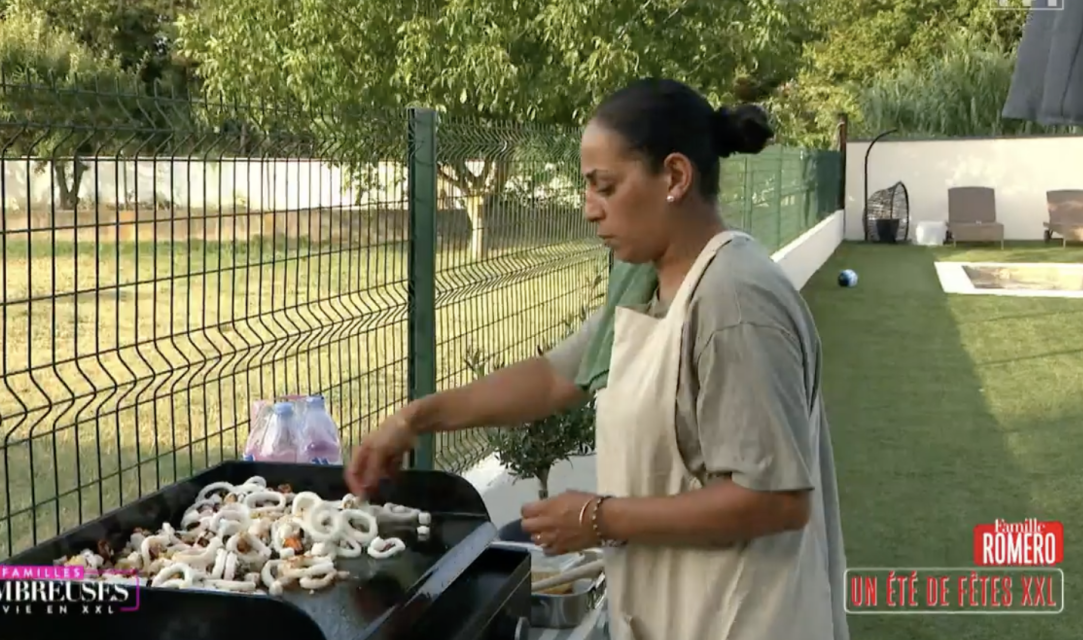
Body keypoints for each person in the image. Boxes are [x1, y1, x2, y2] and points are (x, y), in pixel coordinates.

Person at [345, 78, 850, 640]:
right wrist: (413, 420)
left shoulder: (734, 302)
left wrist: (597, 517)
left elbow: (775, 500)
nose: (590, 211)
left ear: (675, 178)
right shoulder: (645, 277)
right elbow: (557, 375)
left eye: (604, 187)